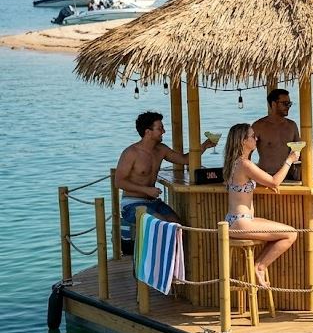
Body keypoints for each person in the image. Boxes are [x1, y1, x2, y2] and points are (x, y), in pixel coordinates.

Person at [115, 111, 217, 255]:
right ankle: (151, 267)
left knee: (178, 228)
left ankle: (171, 267)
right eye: (160, 128)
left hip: (153, 202)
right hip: (132, 205)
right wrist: (146, 190)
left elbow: (184, 159)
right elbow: (119, 182)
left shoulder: (161, 149)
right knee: (163, 226)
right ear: (148, 132)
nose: (164, 131)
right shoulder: (131, 153)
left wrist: (204, 146)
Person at [222, 123, 299, 288]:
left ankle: (259, 265)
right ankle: (260, 266)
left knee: (280, 232)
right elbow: (274, 181)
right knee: (291, 233)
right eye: (252, 136)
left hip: (234, 220)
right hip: (242, 223)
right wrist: (289, 160)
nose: (256, 138)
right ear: (243, 141)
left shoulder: (234, 163)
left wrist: (266, 183)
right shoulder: (245, 164)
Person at [252, 89, 300, 180]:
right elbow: (247, 153)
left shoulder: (292, 126)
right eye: (285, 103)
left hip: (288, 177)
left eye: (289, 104)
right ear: (274, 104)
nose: (288, 106)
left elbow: (299, 151)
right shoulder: (259, 126)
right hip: (266, 177)